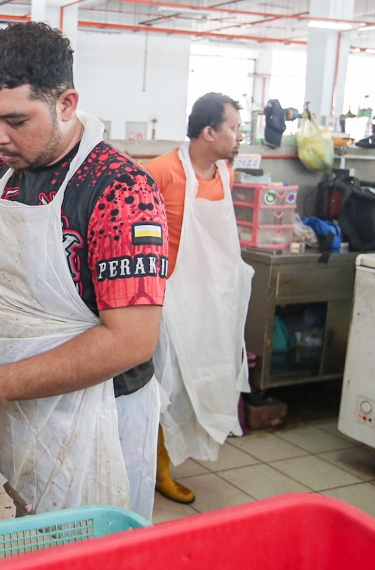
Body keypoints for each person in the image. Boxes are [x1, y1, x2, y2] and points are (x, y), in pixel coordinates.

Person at [0, 22, 168, 520]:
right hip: (5, 401)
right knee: (10, 535)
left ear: (66, 104)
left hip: (95, 417)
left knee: (83, 569)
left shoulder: (121, 192)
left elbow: (132, 340)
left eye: (15, 121)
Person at [143, 93, 254, 504]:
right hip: (168, 300)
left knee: (195, 385)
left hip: (210, 300)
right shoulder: (161, 173)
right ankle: (156, 467)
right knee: (164, 386)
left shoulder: (226, 173)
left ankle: (168, 459)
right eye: (234, 128)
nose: (239, 136)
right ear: (209, 132)